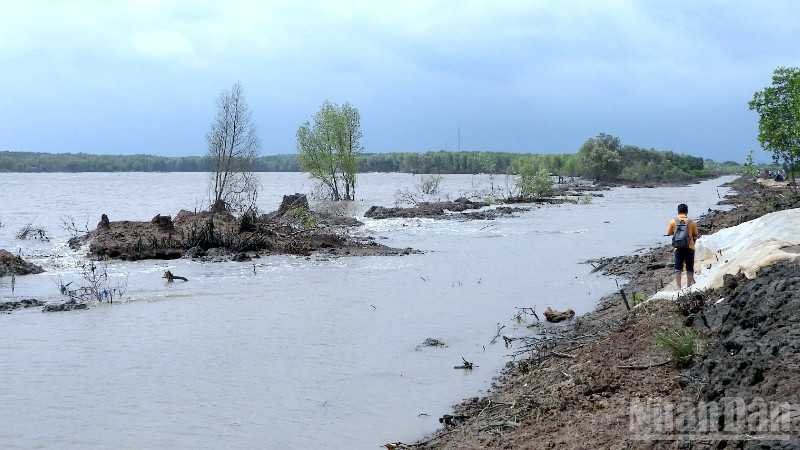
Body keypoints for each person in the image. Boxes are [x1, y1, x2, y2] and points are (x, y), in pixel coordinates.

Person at [666, 203, 700, 290]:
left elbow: (669, 233)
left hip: (678, 247)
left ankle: (678, 287)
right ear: (687, 212)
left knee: (678, 267)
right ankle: (689, 286)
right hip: (690, 247)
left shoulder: (673, 221)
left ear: (678, 211)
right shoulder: (691, 222)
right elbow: (696, 234)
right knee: (689, 267)